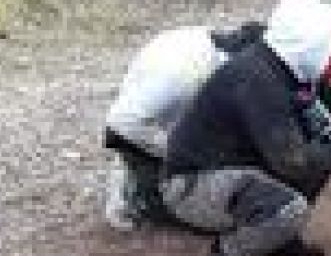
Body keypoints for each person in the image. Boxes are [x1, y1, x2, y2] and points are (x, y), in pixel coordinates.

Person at [162, 0, 331, 256]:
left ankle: (277, 240)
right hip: (192, 184)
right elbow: (293, 162)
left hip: (240, 166)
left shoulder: (296, 66)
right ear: (310, 43)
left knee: (328, 146)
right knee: (289, 205)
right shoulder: (257, 80)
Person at [102, 21, 266, 230]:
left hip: (164, 109)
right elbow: (121, 121)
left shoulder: (219, 53)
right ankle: (131, 195)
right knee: (199, 213)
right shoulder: (183, 75)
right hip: (138, 125)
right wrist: (181, 150)